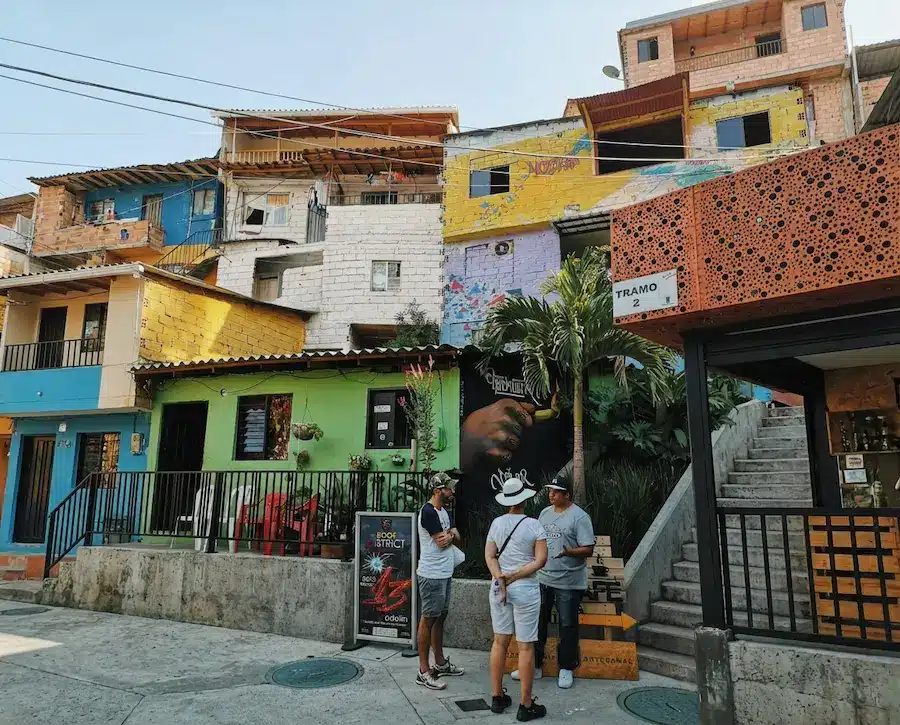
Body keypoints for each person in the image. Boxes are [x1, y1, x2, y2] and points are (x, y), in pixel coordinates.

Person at [512, 477, 594, 690]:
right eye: (550, 490)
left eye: (557, 491)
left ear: (567, 495)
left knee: (567, 625)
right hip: (543, 578)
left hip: (568, 582)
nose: (551, 494)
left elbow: (588, 548)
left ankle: (566, 668)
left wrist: (569, 552)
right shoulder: (544, 513)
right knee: (538, 623)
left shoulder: (579, 517)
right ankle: (535, 665)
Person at [485, 478, 549, 721]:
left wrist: (500, 576)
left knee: (499, 642)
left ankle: (496, 697)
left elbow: (490, 556)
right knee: (525, 646)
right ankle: (526, 704)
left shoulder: (496, 523)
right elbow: (540, 560)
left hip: (498, 588)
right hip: (525, 589)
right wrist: (515, 576)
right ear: (524, 499)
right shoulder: (534, 525)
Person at [415, 472, 465, 690]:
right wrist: (449, 535)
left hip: (445, 572)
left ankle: (440, 663)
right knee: (428, 619)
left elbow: (455, 536)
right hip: (431, 575)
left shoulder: (444, 511)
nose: (452, 491)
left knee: (440, 618)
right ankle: (423, 670)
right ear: (437, 491)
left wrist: (448, 535)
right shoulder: (428, 512)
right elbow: (443, 542)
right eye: (448, 488)